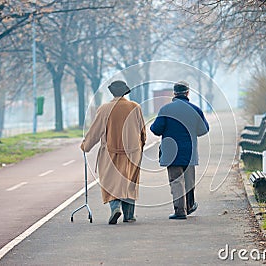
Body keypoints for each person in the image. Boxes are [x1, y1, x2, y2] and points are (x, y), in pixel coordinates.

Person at [81, 80, 146, 224]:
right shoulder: (135, 107)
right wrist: (140, 146)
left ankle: (115, 207)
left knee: (110, 181)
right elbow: (142, 131)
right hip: (132, 152)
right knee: (129, 181)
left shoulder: (104, 109)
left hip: (110, 152)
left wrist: (86, 146)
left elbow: (95, 131)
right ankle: (129, 215)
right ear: (125, 92)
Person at [150, 81, 209, 219]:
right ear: (187, 93)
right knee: (189, 181)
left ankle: (180, 211)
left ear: (174, 93)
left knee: (176, 181)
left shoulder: (165, 110)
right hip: (190, 152)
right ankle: (189, 206)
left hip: (171, 153)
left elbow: (156, 129)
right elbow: (204, 129)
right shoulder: (195, 109)